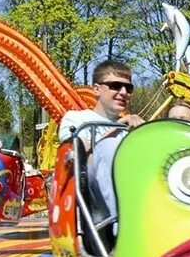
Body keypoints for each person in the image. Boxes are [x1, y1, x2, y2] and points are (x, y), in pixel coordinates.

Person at [58, 60, 146, 225]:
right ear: (97, 89)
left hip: (130, 189)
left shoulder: (133, 128)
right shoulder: (77, 118)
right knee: (108, 147)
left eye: (129, 88)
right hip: (90, 199)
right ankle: (118, 227)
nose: (123, 92)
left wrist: (143, 135)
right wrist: (117, 128)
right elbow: (79, 152)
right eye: (115, 86)